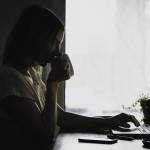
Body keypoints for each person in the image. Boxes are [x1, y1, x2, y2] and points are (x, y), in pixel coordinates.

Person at [0, 4, 140, 150]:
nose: (58, 52)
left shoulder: (31, 74)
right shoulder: (10, 79)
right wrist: (53, 83)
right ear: (36, 37)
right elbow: (44, 136)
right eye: (55, 42)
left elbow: (60, 117)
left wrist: (109, 121)